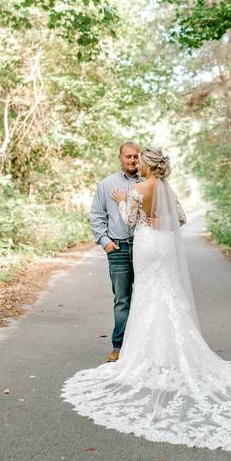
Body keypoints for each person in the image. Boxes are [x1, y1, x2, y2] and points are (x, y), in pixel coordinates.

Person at [63, 147, 231, 452]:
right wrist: (159, 221)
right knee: (165, 295)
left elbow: (128, 220)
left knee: (147, 297)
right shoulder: (166, 188)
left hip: (145, 246)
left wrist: (121, 201)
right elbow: (179, 219)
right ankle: (165, 351)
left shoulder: (139, 189)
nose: (136, 162)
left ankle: (145, 354)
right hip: (162, 245)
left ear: (148, 165)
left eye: (140, 159)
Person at [88, 141, 142, 363]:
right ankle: (118, 346)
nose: (132, 160)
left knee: (145, 296)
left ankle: (142, 346)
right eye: (128, 156)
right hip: (118, 248)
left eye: (136, 157)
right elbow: (96, 215)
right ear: (120, 158)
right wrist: (104, 241)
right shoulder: (107, 184)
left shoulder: (149, 182)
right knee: (122, 299)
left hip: (143, 248)